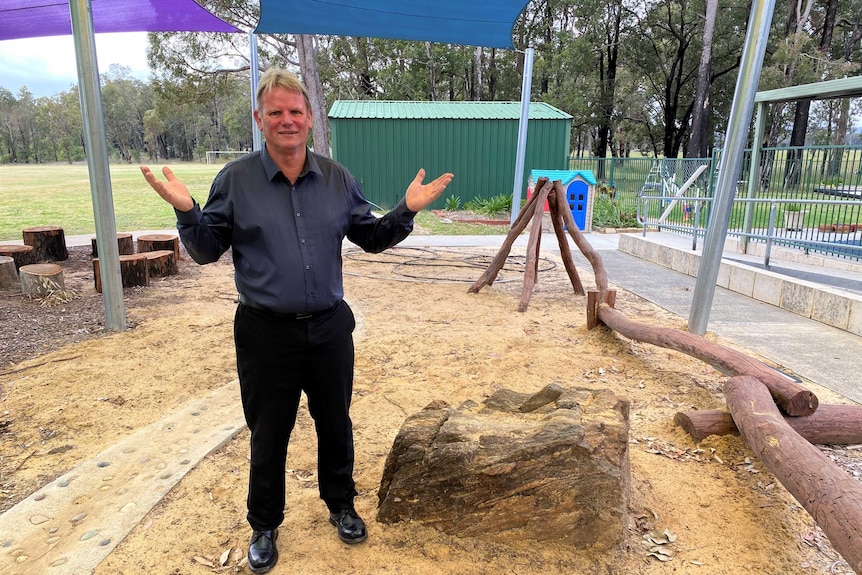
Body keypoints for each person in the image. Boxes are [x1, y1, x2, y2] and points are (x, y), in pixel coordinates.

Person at [141, 68, 453, 574]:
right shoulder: (236, 181)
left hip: (330, 327)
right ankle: (264, 524)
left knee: (336, 421)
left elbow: (369, 238)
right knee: (269, 431)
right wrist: (187, 212)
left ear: (309, 119)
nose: (286, 120)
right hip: (265, 332)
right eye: (275, 113)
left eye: (295, 111)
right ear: (260, 121)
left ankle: (340, 504)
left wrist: (404, 210)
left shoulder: (336, 179)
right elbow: (204, 250)